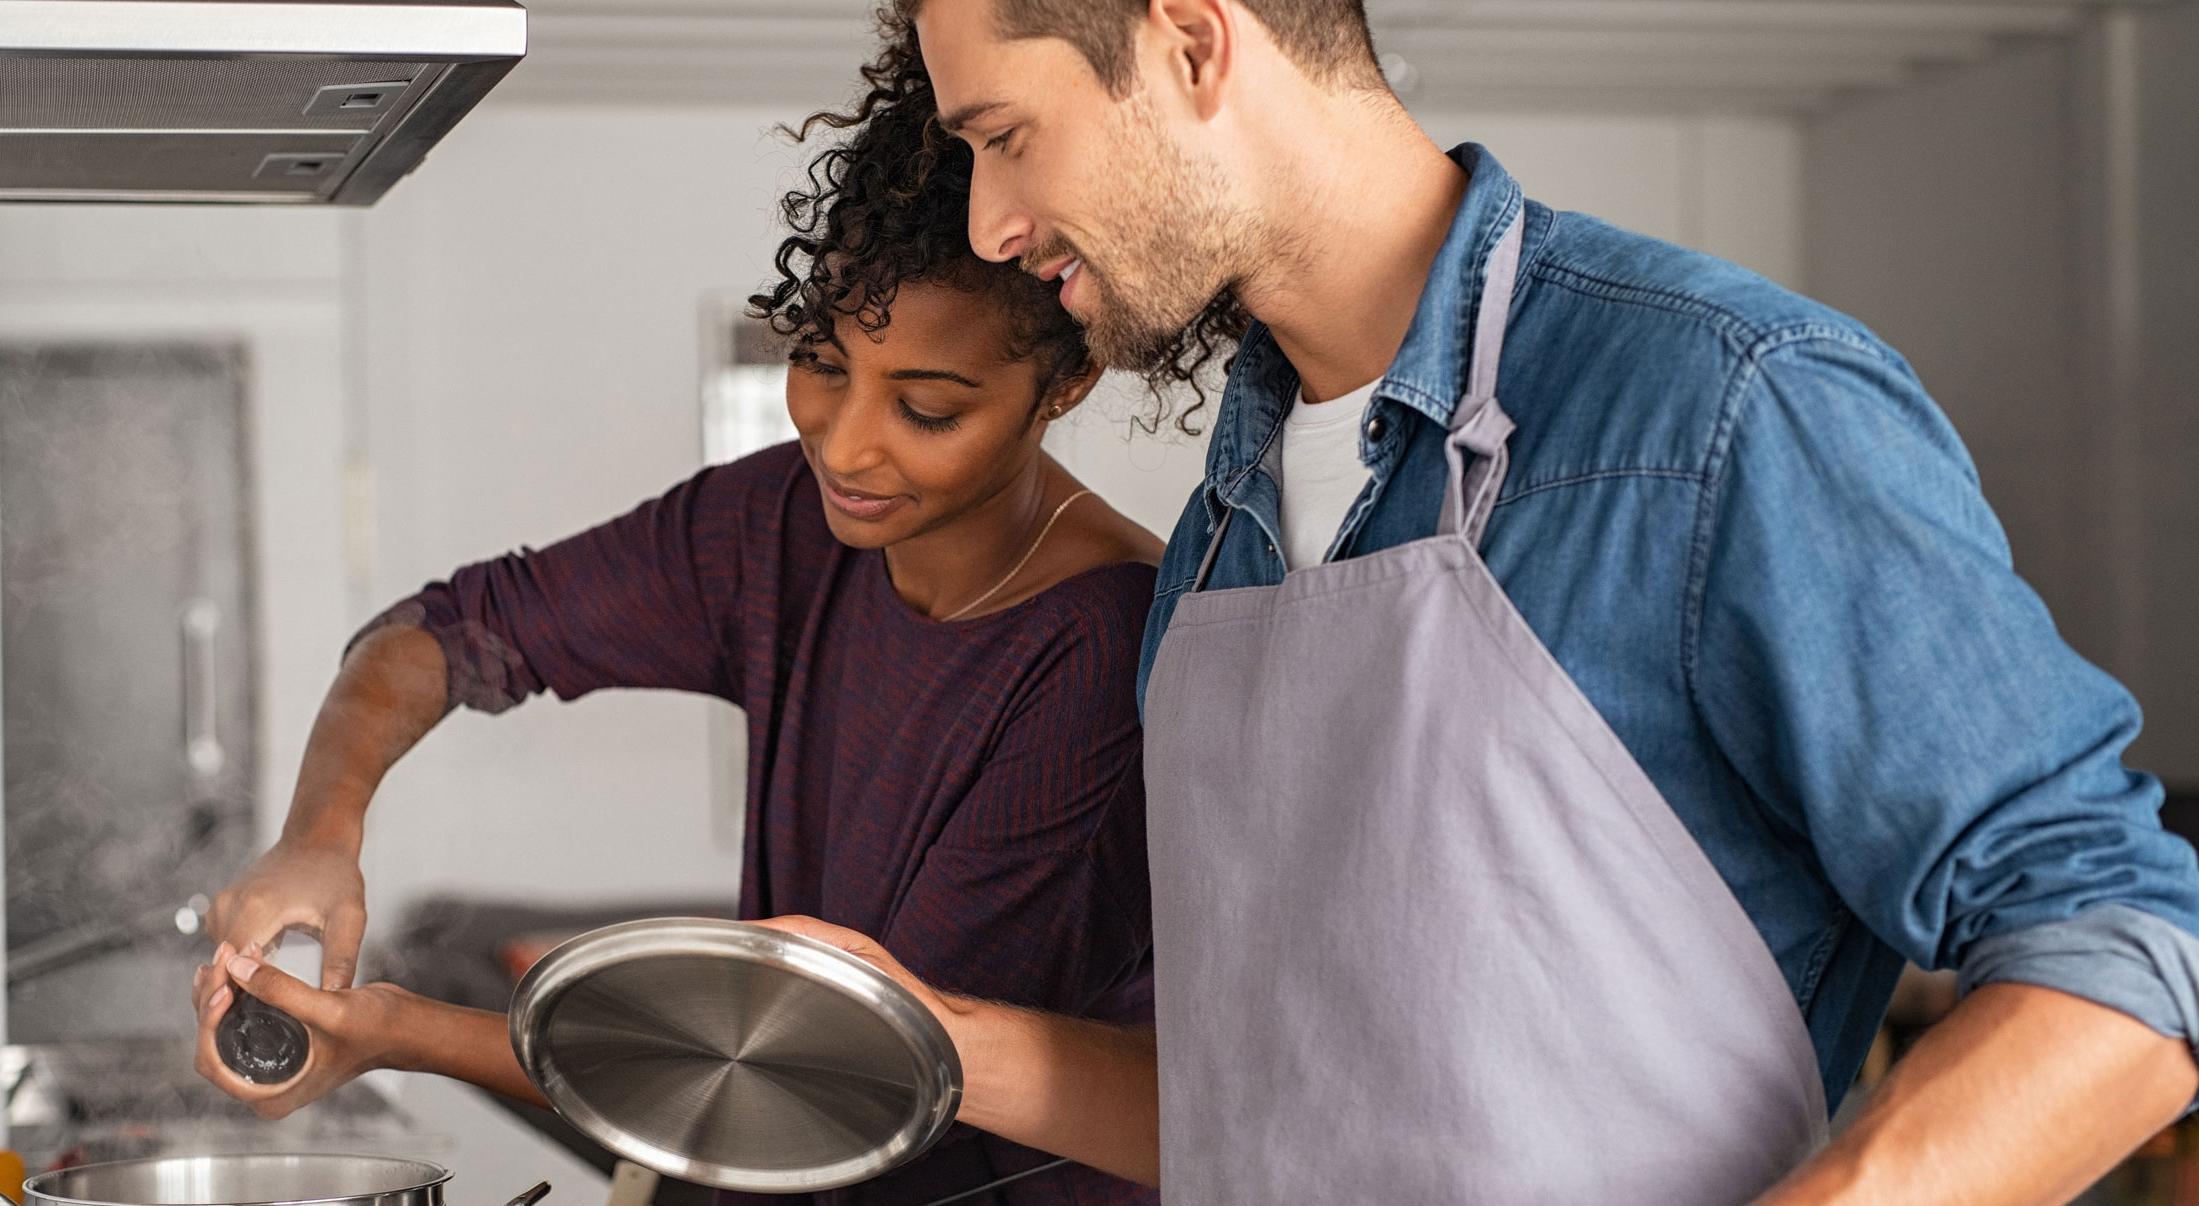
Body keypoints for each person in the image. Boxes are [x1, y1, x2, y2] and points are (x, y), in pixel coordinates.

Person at [765, 1, 2199, 1202]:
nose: (991, 223)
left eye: (1003, 139)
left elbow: (2122, 952)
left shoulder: (1718, 406)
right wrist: (926, 1030)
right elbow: (1280, 1117)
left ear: (1193, 42)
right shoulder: (1221, 529)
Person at [188, 73, 1165, 1206]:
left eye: (927, 409)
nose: (845, 449)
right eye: (823, 365)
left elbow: (850, 1069)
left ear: (1069, 378)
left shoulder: (1103, 647)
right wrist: (319, 831)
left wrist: (398, 1028)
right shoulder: (783, 525)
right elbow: (449, 633)